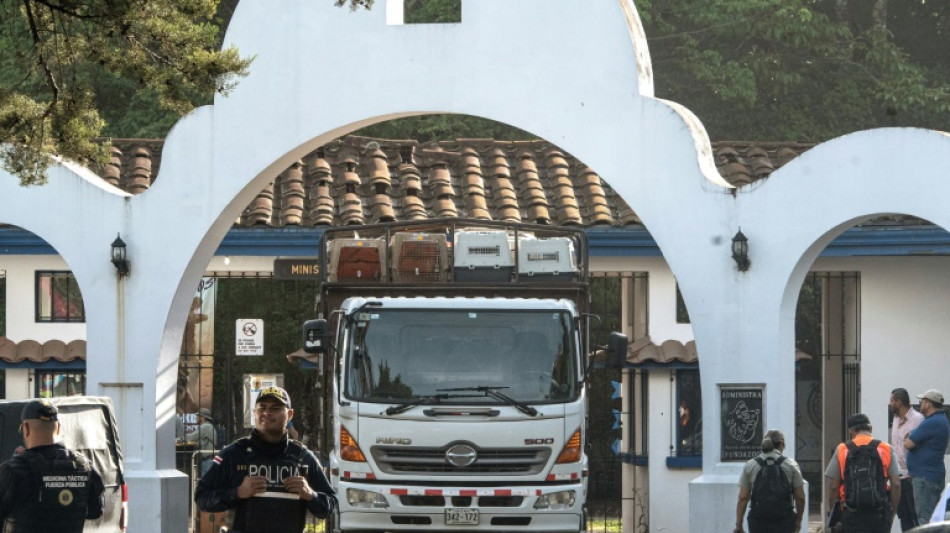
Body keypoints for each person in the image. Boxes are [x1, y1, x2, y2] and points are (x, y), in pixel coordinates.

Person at [195, 386, 336, 532]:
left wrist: (310, 495)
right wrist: (237, 493)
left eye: (275, 408)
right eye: (262, 408)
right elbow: (202, 498)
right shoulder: (234, 454)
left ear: (290, 414)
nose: (267, 413)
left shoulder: (303, 458)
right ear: (255, 412)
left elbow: (329, 506)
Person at [0, 399, 105, 533]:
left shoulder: (13, 470)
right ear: (59, 428)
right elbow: (95, 512)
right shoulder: (85, 467)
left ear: (25, 428)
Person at [825, 413, 900, 533]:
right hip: (879, 514)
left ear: (851, 431)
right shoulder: (885, 448)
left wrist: (835, 515)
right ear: (870, 429)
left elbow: (834, 487)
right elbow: (896, 483)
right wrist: (892, 513)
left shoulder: (842, 449)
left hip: (851, 513)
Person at [733, 429, 805, 533]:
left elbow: (743, 497)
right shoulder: (791, 465)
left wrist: (738, 525)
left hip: (758, 522)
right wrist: (798, 521)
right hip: (784, 521)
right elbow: (800, 498)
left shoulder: (750, 465)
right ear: (781, 444)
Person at [905, 389, 950, 525]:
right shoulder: (940, 420)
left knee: (925, 518)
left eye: (922, 401)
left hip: (925, 478)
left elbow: (908, 443)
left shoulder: (931, 422)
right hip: (931, 475)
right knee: (933, 516)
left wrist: (910, 435)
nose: (920, 404)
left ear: (929, 404)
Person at [890, 387, 924, 530]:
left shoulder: (918, 419)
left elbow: (921, 446)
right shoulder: (896, 418)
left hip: (911, 475)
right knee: (903, 515)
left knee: (915, 514)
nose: (890, 404)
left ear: (899, 402)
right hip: (898, 476)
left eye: (892, 401)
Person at [186, 407, 218, 475]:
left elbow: (191, 437)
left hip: (208, 461)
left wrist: (180, 438)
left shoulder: (205, 427)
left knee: (206, 483)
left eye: (197, 416)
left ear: (202, 417)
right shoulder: (208, 426)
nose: (195, 418)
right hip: (208, 460)